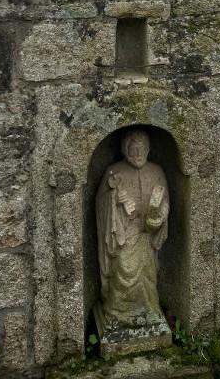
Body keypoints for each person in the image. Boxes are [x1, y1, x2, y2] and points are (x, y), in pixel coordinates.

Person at [96, 129, 169, 328]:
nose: (137, 154)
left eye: (141, 149)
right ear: (124, 151)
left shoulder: (156, 171)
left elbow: (165, 202)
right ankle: (117, 311)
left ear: (148, 149)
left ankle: (149, 310)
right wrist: (114, 201)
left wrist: (159, 216)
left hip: (147, 234)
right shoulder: (114, 171)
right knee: (123, 266)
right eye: (132, 150)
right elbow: (100, 205)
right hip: (125, 233)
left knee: (148, 272)